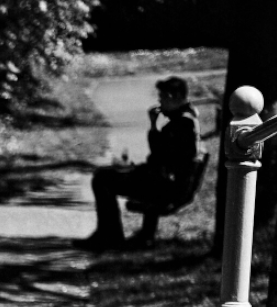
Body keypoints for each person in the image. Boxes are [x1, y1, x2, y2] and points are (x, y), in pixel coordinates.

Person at [79, 76, 199, 251]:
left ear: (174, 97)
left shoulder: (183, 123)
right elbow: (162, 155)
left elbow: (160, 154)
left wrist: (153, 126)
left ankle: (110, 236)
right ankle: (111, 235)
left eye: (162, 98)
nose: (160, 102)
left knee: (102, 179)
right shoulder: (183, 119)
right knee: (106, 175)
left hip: (164, 186)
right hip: (165, 182)